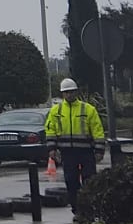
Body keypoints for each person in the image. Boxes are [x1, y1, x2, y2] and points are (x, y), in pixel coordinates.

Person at [43, 77, 105, 213]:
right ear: (62, 94)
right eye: (66, 92)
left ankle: (89, 208)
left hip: (86, 152)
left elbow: (97, 130)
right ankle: (76, 209)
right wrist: (52, 148)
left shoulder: (88, 109)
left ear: (76, 92)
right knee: (71, 182)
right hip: (67, 152)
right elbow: (50, 129)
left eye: (71, 92)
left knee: (90, 180)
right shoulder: (56, 111)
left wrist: (99, 150)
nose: (69, 95)